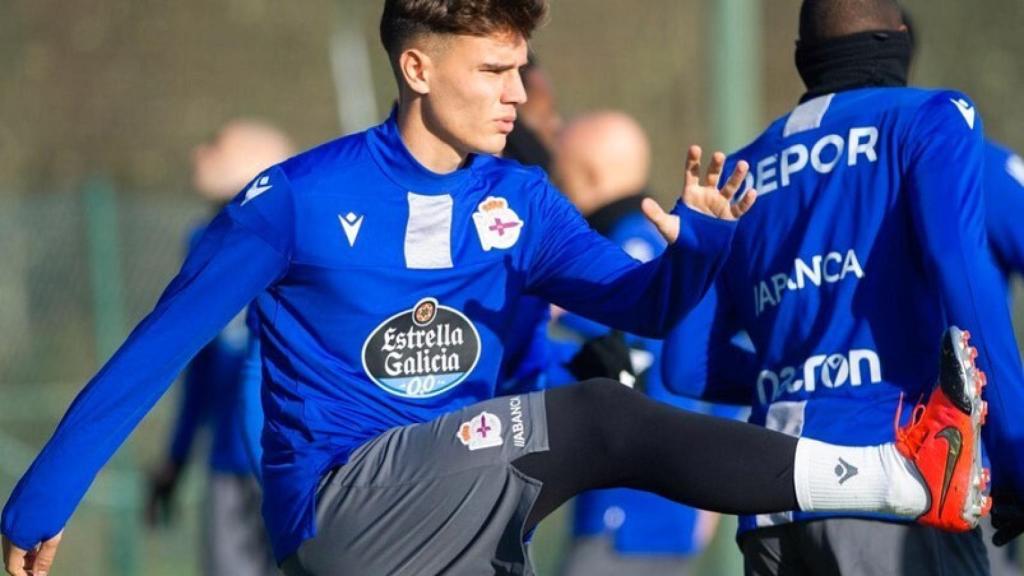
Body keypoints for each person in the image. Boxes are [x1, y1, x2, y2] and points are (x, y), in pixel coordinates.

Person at [0, 2, 990, 575]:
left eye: (522, 66)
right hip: (347, 509)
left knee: (591, 408)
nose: (519, 93)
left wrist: (699, 247)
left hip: (471, 518)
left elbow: (641, 309)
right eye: (496, 68)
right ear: (417, 65)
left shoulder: (518, 198)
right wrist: (35, 507)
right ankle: (905, 477)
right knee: (597, 415)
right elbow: (153, 353)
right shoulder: (295, 203)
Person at [662, 0, 1024, 574]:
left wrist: (799, 377)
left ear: (804, 58)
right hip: (898, 479)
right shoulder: (931, 119)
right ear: (898, 40)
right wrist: (1014, 451)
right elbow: (962, 271)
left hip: (771, 500)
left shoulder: (742, 170)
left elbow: (682, 366)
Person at [552, 110, 728, 576]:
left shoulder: (626, 247)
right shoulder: (670, 251)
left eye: (559, 174)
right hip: (664, 511)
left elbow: (630, 347)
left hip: (628, 516)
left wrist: (548, 297)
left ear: (586, 175)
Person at [145, 119, 294, 576]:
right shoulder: (202, 242)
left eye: (217, 145)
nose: (199, 155)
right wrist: (176, 455)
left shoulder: (305, 241)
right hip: (228, 461)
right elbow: (198, 368)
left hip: (295, 457)